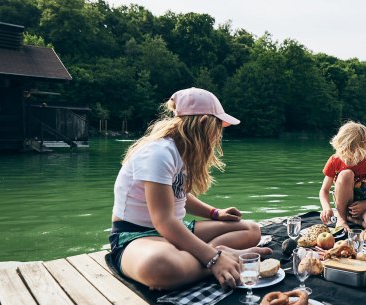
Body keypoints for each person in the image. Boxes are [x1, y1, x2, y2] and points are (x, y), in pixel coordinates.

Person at [109, 87, 270, 291]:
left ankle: (210, 256)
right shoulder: (158, 153)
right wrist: (212, 259)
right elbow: (163, 220)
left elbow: (179, 196)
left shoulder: (182, 151)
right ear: (203, 122)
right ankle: (217, 258)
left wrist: (215, 213)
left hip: (176, 228)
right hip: (137, 235)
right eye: (218, 125)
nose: (219, 133)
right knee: (160, 265)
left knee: (251, 229)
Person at [318, 121, 366, 231]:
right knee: (347, 173)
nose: (349, 160)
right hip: (343, 206)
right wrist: (326, 207)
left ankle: (354, 220)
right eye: (345, 153)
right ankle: (342, 218)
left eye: (354, 155)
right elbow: (324, 190)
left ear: (365, 148)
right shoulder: (335, 160)